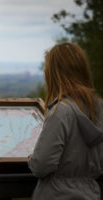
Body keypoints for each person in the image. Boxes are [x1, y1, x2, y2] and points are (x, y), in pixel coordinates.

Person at [28, 42, 103, 200]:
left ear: (53, 74)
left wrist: (32, 160)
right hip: (91, 194)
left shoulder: (61, 111)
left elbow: (42, 165)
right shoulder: (99, 107)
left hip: (57, 194)